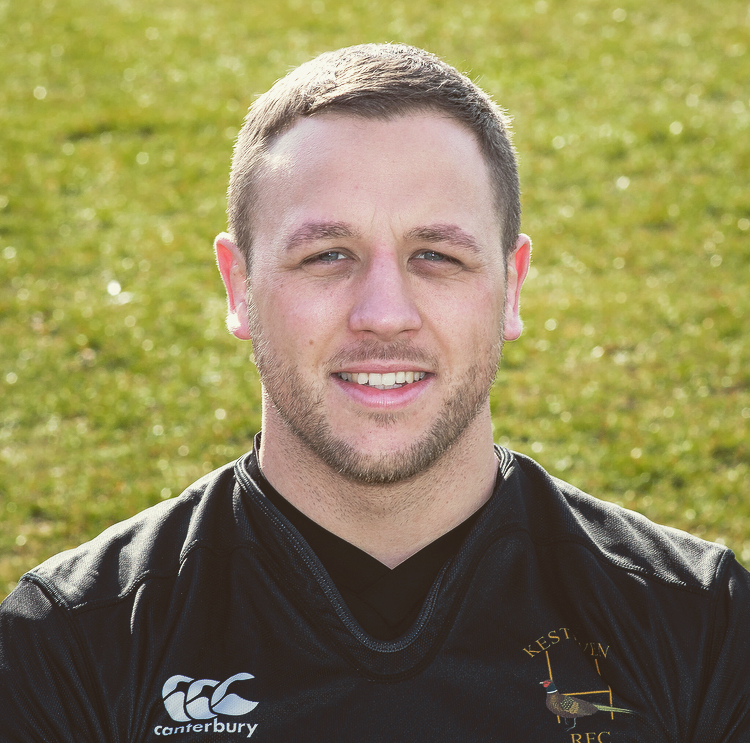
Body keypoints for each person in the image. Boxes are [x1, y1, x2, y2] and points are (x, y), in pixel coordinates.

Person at [0, 43, 748, 742]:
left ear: (512, 287)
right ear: (239, 287)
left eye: (436, 255)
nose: (384, 314)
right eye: (328, 255)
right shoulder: (70, 644)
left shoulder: (703, 626)